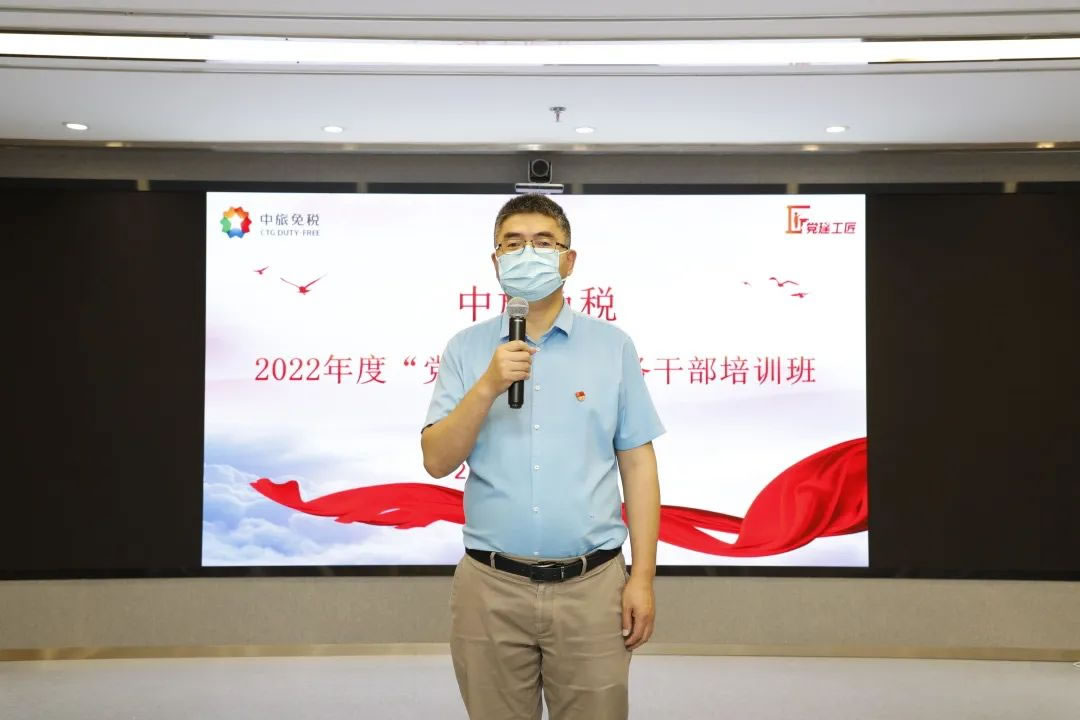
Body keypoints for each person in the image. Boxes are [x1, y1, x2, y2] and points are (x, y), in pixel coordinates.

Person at [421, 193, 663, 720]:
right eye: (513, 244)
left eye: (543, 242)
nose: (527, 253)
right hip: (490, 587)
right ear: (495, 261)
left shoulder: (612, 346)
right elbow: (436, 460)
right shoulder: (466, 348)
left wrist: (642, 577)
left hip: (592, 586)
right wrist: (487, 385)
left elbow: (638, 464)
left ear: (568, 260)